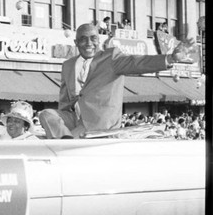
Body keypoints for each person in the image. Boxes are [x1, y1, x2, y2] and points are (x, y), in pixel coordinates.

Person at [38, 22, 191, 139]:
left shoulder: (111, 58)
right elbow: (65, 98)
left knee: (72, 140)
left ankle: (66, 147)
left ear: (99, 40)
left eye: (93, 38)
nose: (89, 43)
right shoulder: (68, 65)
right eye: (83, 39)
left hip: (100, 124)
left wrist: (169, 58)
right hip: (75, 119)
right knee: (46, 114)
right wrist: (61, 123)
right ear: (76, 42)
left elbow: (137, 63)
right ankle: (65, 143)